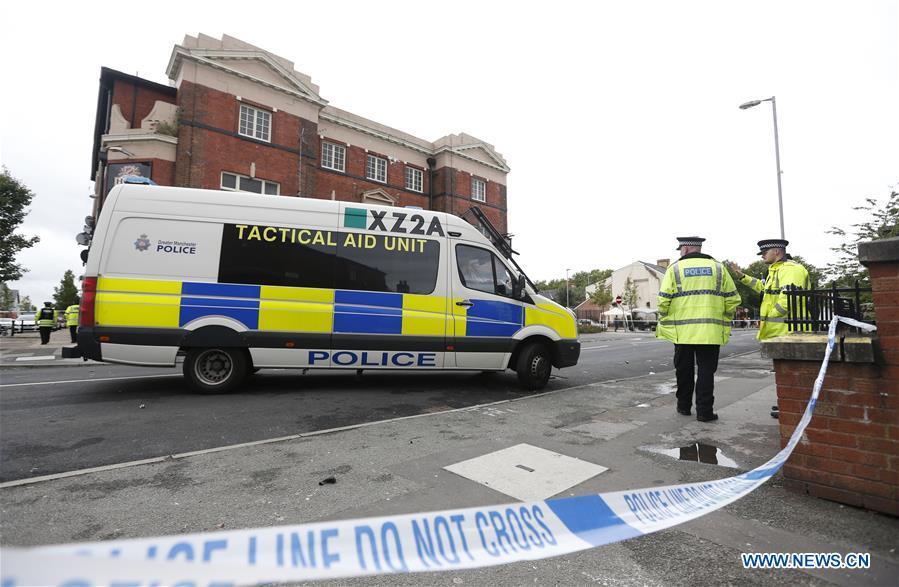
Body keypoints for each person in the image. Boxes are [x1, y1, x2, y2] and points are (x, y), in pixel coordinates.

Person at [657, 237, 741, 422]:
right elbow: (733, 299)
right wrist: (723, 316)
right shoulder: (719, 268)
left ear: (685, 249)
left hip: (682, 333)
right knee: (706, 372)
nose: (680, 252)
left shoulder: (675, 269)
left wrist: (666, 317)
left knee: (683, 370)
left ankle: (684, 407)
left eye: (680, 249)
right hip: (710, 332)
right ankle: (705, 412)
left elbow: (663, 301)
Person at [727, 239, 810, 341]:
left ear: (776, 252)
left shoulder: (791, 269)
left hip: (790, 332)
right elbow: (764, 288)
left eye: (764, 252)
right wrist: (742, 276)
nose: (762, 256)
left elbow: (789, 297)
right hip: (780, 331)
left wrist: (771, 315)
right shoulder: (775, 270)